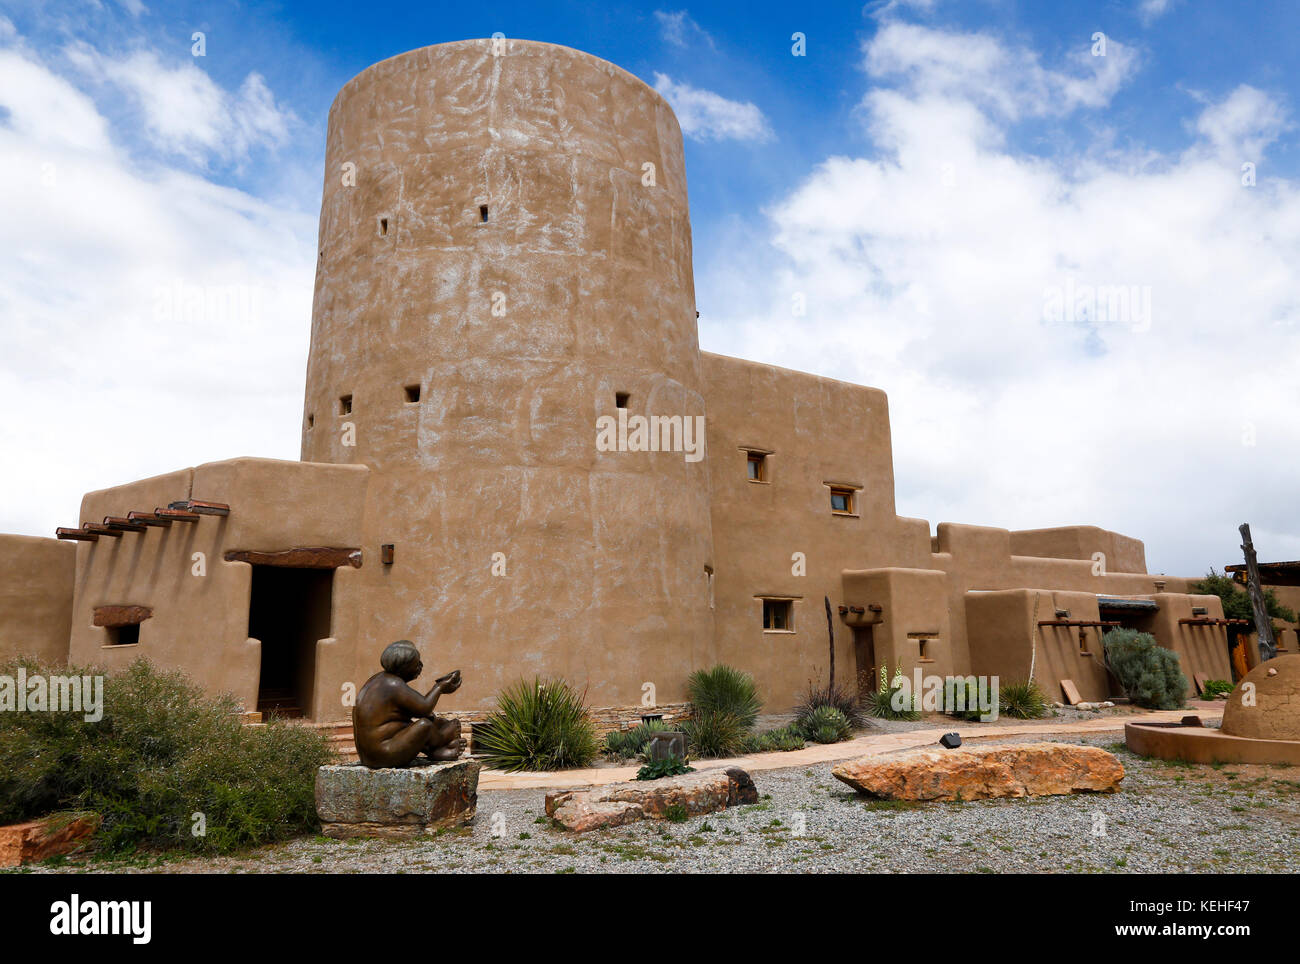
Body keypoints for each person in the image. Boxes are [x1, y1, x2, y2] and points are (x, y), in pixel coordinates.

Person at [352, 639, 465, 768]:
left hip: (371, 755)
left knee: (433, 721)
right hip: (383, 756)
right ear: (403, 667)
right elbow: (424, 707)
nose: (421, 666)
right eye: (416, 664)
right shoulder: (393, 684)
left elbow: (414, 708)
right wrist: (439, 688)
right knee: (425, 725)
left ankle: (437, 748)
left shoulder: (378, 680)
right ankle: (443, 740)